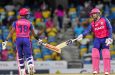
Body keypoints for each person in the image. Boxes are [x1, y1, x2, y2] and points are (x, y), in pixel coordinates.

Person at [67, 8, 113, 75]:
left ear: (98, 13)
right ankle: (95, 70)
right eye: (92, 14)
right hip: (97, 40)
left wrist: (110, 38)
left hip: (105, 39)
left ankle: (107, 71)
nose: (93, 15)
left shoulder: (105, 19)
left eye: (94, 14)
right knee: (95, 55)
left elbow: (110, 28)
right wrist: (82, 35)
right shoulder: (92, 23)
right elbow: (87, 30)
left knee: (106, 55)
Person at [2, 8, 40, 75]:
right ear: (26, 15)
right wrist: (39, 39)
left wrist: (6, 40)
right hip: (26, 39)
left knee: (20, 56)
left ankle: (22, 71)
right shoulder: (29, 23)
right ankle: (30, 65)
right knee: (28, 55)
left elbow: (11, 33)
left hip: (18, 39)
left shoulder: (15, 22)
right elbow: (34, 34)